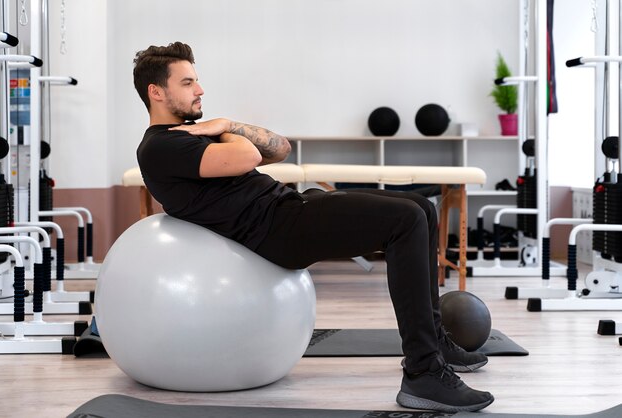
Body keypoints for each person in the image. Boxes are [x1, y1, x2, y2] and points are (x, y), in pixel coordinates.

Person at [133, 41, 494, 413]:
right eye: (188, 82)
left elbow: (279, 148)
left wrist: (226, 126)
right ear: (156, 92)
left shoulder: (193, 132)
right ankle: (423, 372)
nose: (200, 90)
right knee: (405, 221)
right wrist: (225, 128)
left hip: (291, 208)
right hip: (277, 230)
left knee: (420, 207)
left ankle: (434, 341)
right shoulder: (160, 147)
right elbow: (250, 154)